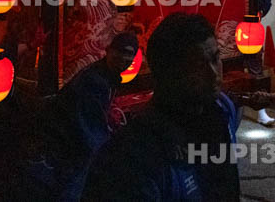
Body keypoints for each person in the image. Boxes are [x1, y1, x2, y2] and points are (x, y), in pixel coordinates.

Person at [84, 13, 241, 200]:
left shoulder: (223, 110)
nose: (213, 73)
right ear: (169, 75)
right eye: (197, 66)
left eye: (215, 59)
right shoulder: (132, 158)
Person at [30, 32, 138, 200]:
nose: (124, 59)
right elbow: (90, 130)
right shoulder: (96, 81)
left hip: (69, 141)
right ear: (108, 50)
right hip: (67, 143)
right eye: (120, 52)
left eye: (129, 55)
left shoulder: (105, 75)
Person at [245, 0, 275, 126]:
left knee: (256, 70)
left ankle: (261, 111)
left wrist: (259, 14)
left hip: (249, 31)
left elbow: (267, 1)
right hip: (233, 32)